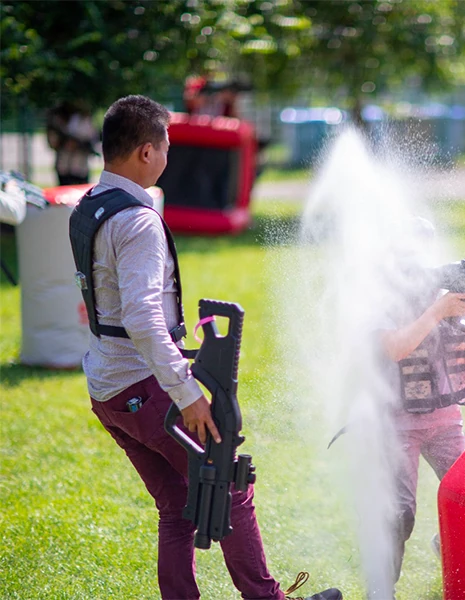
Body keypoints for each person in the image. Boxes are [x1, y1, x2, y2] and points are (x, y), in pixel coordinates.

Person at [67, 95, 341, 600]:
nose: (169, 156)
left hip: (106, 387)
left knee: (175, 504)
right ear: (146, 151)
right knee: (230, 486)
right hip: (145, 388)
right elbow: (143, 318)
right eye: (167, 146)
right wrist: (188, 393)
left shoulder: (90, 205)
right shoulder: (138, 221)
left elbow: (111, 304)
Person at [374, 226, 465, 593]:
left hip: (444, 420)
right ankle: (381, 588)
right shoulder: (380, 298)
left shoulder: (443, 290)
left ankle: (449, 550)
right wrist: (436, 309)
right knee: (399, 513)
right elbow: (395, 348)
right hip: (398, 423)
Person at [47, 101, 98, 186]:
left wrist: (78, 145)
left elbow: (92, 141)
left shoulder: (84, 121)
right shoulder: (58, 122)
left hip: (80, 167)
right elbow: (53, 143)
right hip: (64, 166)